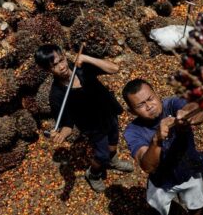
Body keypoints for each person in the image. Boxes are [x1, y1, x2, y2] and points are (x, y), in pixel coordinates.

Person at [34, 44, 133, 193]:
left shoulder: (81, 67)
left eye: (61, 60)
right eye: (55, 65)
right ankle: (93, 174)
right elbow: (67, 123)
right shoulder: (56, 96)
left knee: (113, 145)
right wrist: (62, 135)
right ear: (48, 70)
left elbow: (115, 69)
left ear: (65, 57)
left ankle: (113, 161)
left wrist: (87, 58)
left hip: (108, 112)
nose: (61, 66)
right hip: (93, 127)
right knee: (101, 155)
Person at [122, 79, 203, 215]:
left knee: (196, 206)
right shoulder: (132, 131)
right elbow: (147, 166)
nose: (149, 106)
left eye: (150, 99)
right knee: (157, 209)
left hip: (190, 171)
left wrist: (187, 116)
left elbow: (197, 110)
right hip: (161, 182)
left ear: (156, 94)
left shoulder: (172, 104)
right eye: (141, 105)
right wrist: (156, 140)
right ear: (131, 111)